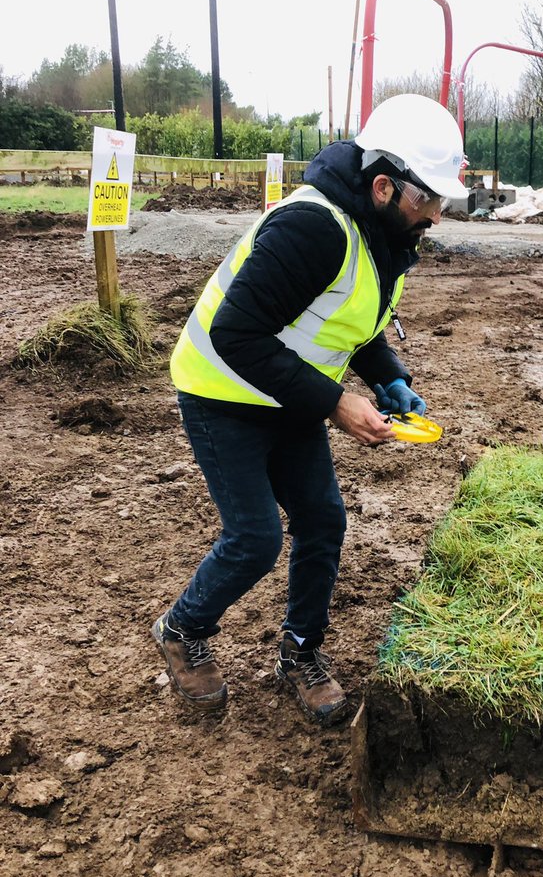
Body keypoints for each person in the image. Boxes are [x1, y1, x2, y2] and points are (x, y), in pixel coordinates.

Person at [151, 94, 466, 723]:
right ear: (383, 186)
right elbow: (234, 333)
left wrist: (388, 381)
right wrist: (337, 404)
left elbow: (354, 323)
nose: (435, 215)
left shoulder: (383, 235)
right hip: (223, 392)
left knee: (323, 519)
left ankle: (299, 653)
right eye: (426, 199)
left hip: (288, 393)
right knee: (256, 537)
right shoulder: (312, 226)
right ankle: (183, 628)